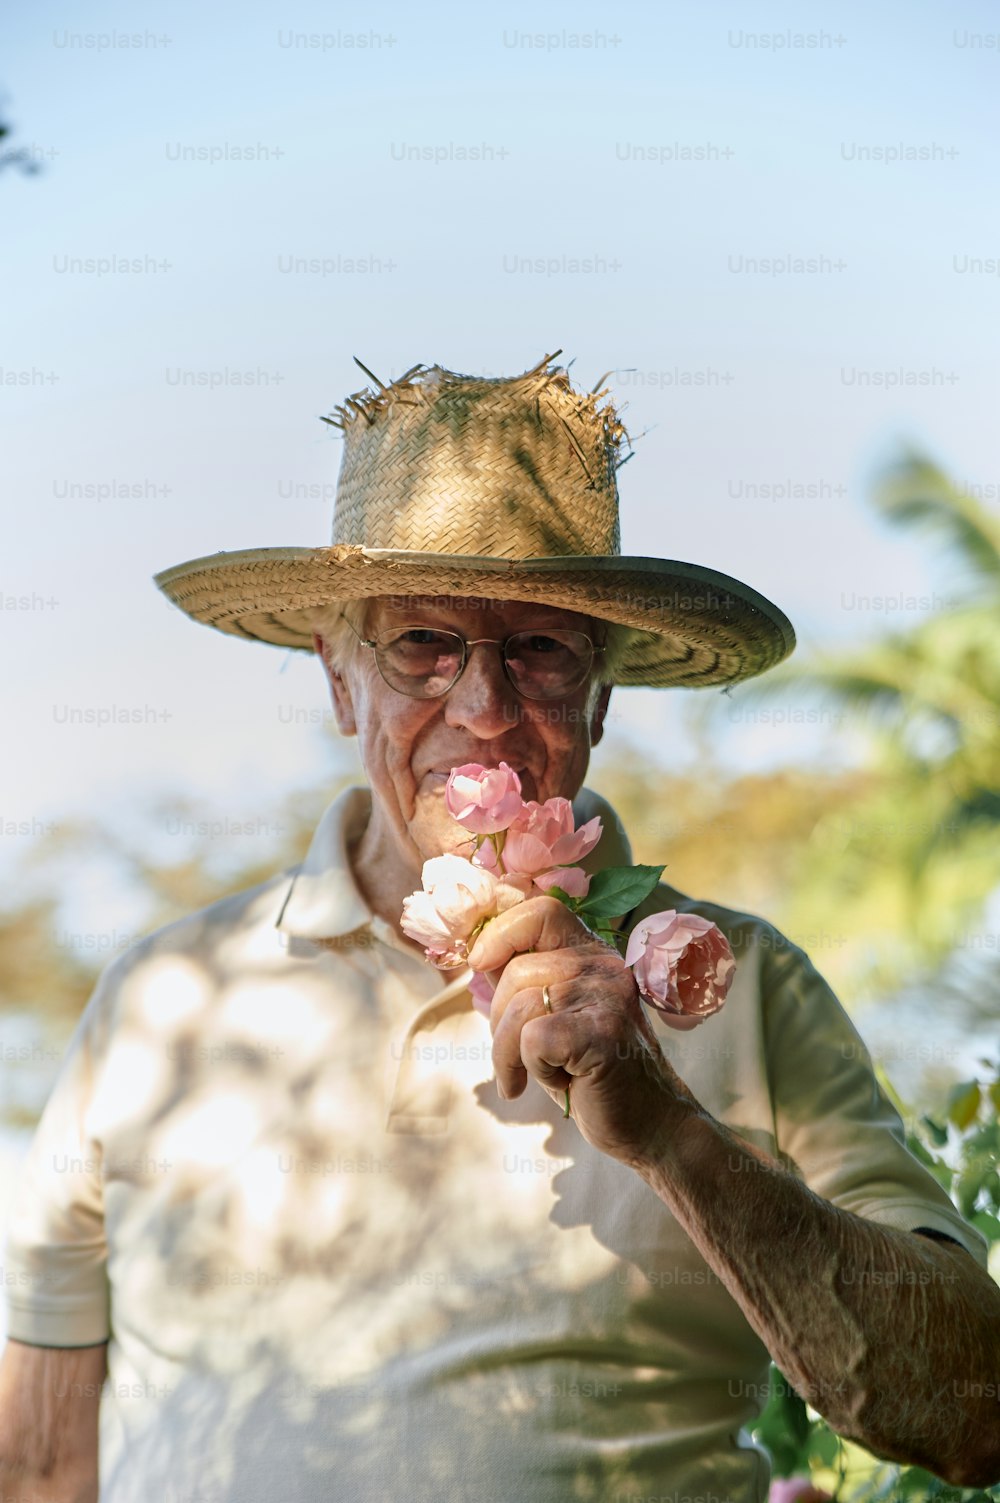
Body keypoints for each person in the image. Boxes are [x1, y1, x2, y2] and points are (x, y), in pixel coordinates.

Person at [2, 354, 998, 1502]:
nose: (480, 709)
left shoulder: (739, 982)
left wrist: (671, 1134)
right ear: (338, 681)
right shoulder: (162, 1000)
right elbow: (38, 1466)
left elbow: (974, 1415)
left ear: (601, 696)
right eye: (420, 644)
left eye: (539, 649)